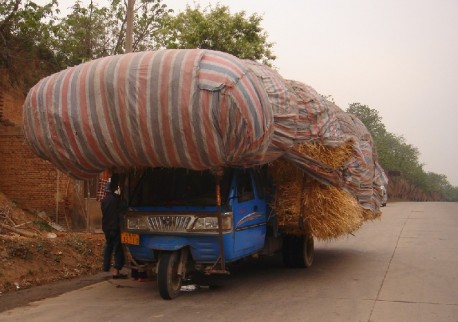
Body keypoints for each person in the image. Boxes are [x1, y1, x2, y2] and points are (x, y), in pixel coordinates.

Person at [101, 178, 127, 279]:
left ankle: (106, 266)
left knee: (108, 246)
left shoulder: (103, 201)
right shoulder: (117, 199)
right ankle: (116, 271)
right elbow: (124, 207)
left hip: (106, 228)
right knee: (117, 248)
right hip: (115, 228)